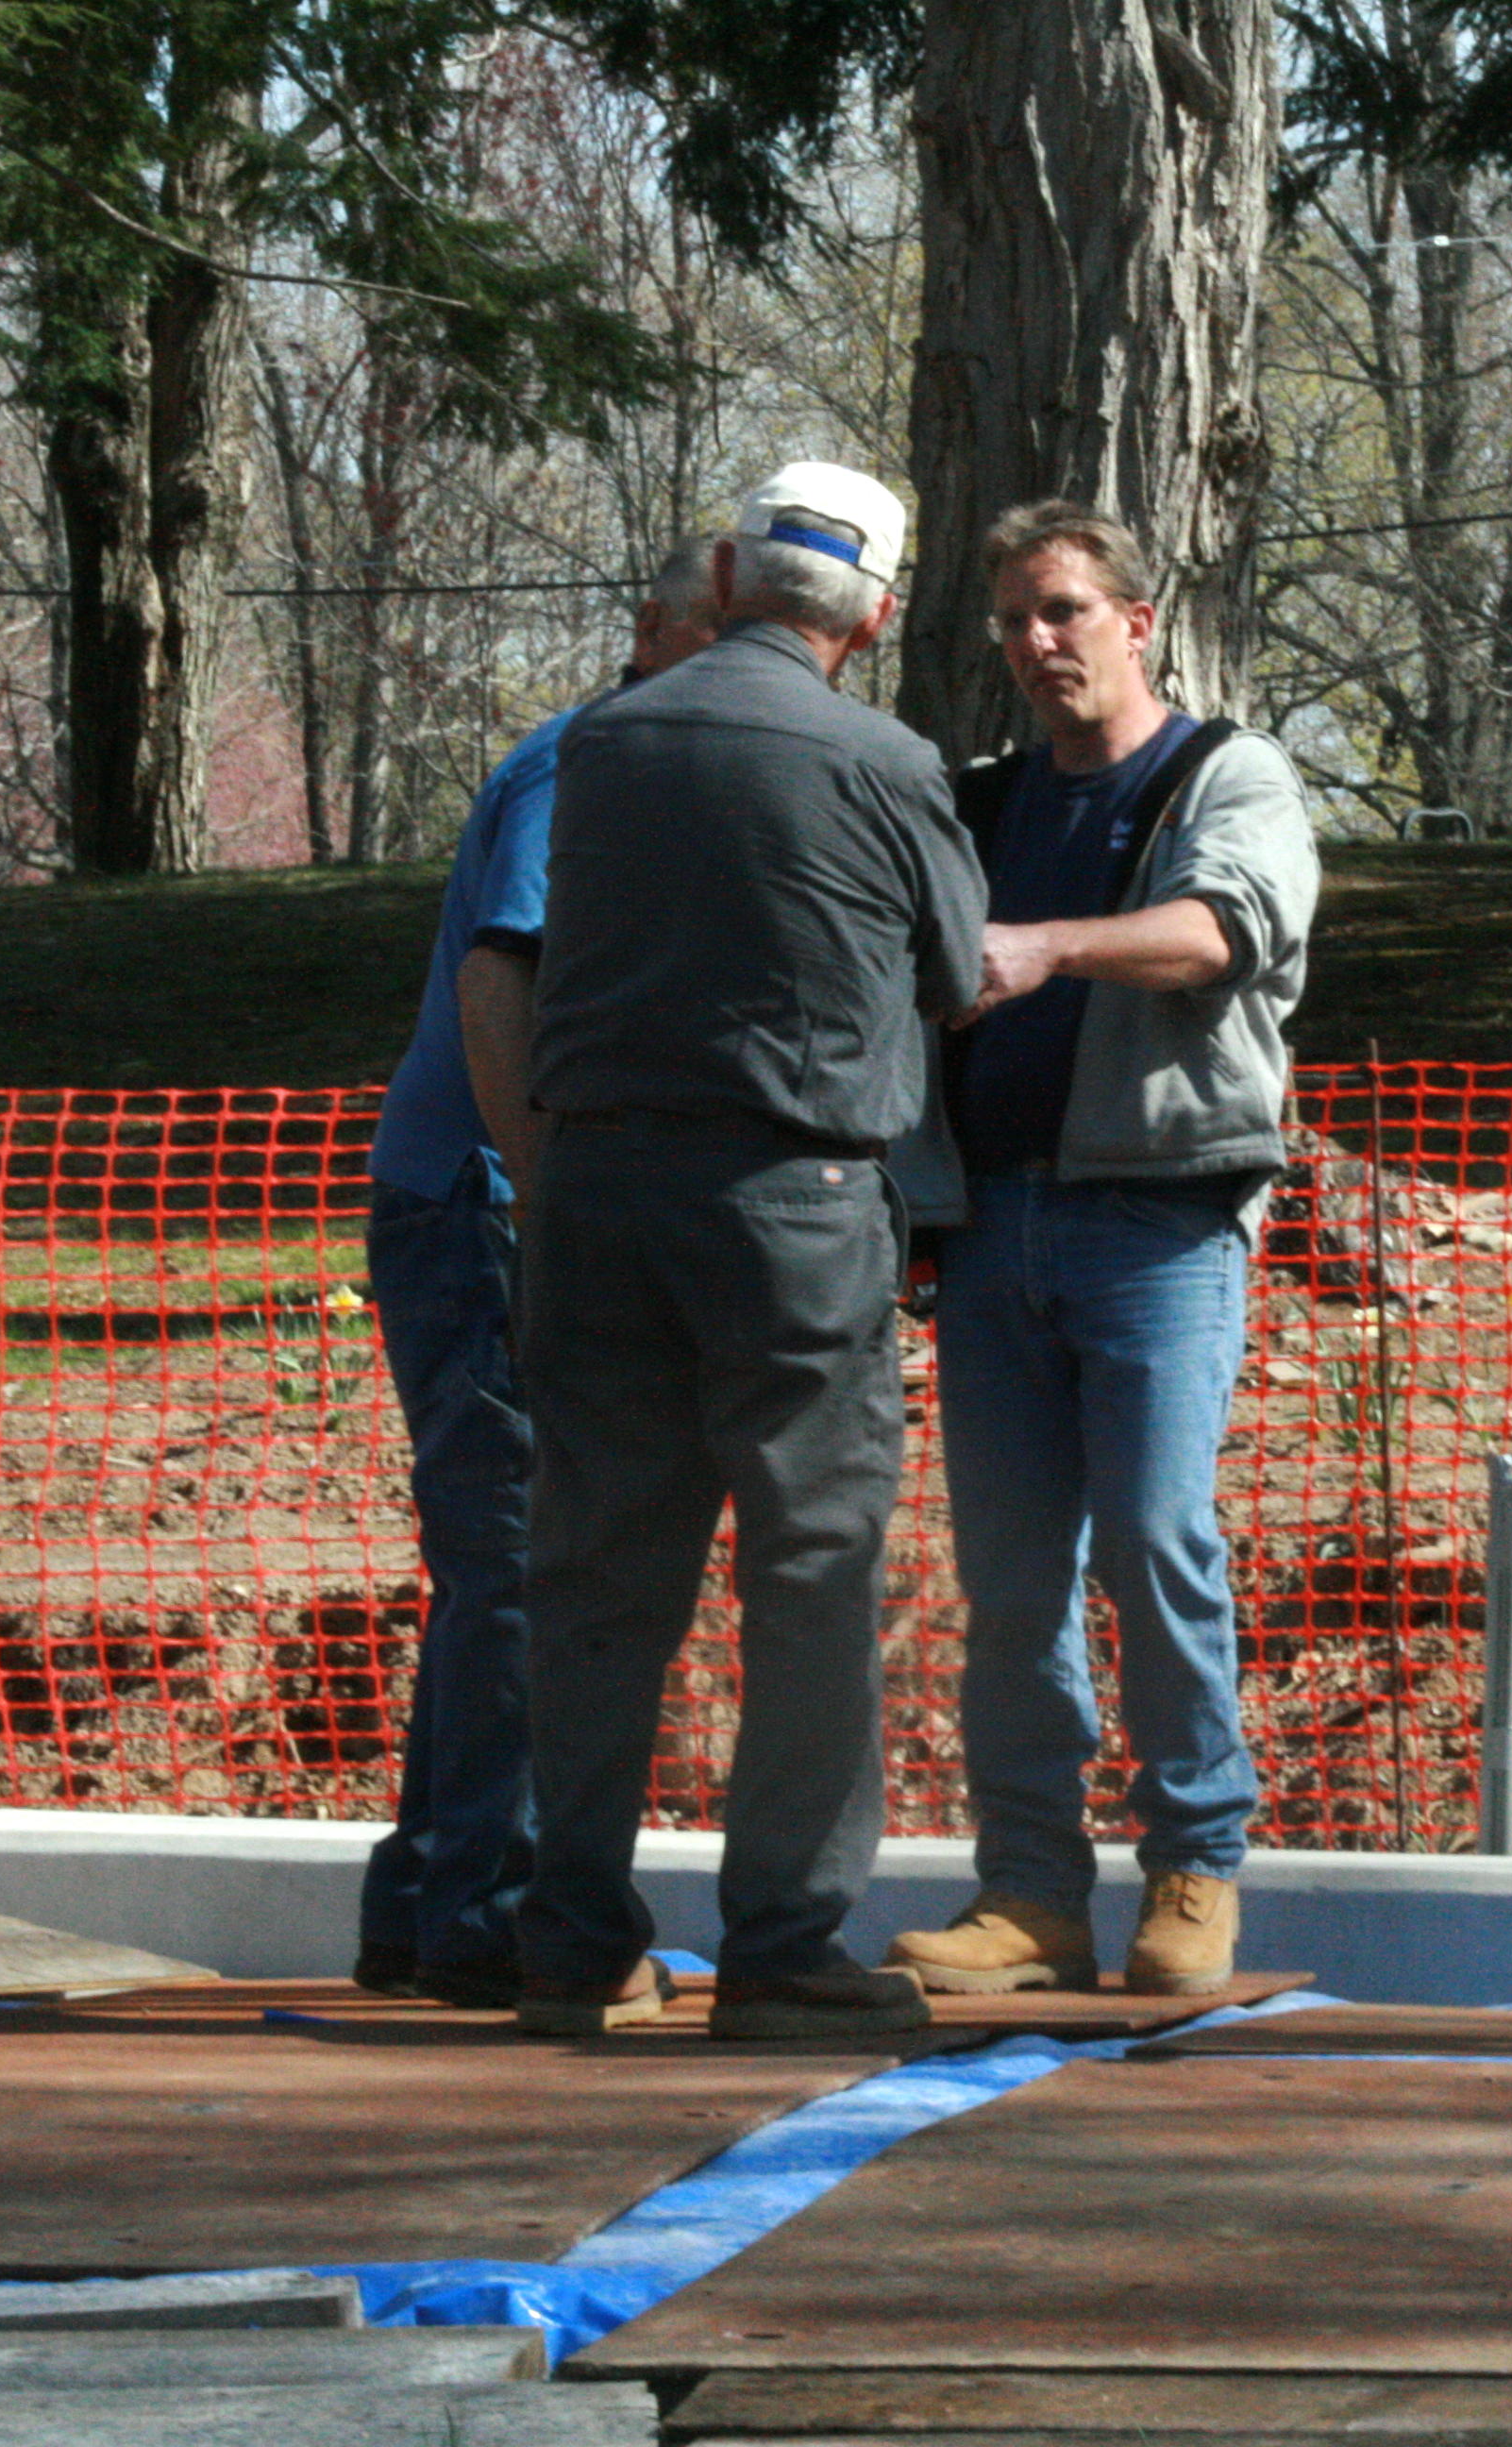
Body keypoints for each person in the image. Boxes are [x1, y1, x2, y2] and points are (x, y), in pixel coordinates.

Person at [510, 463, 987, 2042]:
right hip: (789, 1205)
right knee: (811, 1573)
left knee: (594, 1574)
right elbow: (956, 969)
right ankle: (782, 1941)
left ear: (726, 568)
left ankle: (575, 1943)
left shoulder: (607, 739)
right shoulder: (882, 757)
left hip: (590, 1200)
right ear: (879, 612)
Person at [879, 502, 1317, 2000]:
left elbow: (1223, 931)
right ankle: (1031, 1891)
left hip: (1157, 1219)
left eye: (1063, 611)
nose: (1036, 644)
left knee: (1153, 1540)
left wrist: (1047, 946)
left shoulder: (1225, 773)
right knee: (1011, 1582)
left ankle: (1196, 1865)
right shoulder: (980, 802)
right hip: (991, 1225)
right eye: (1011, 621)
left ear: (1140, 618)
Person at [350, 539, 717, 2009]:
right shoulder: (583, 764)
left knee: (493, 1565)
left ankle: (429, 1900)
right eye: (730, 633)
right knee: (512, 1559)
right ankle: (489, 1913)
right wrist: (544, 1196)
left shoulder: (655, 771)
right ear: (654, 630)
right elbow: (500, 980)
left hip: (492, 1199)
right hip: (481, 1207)